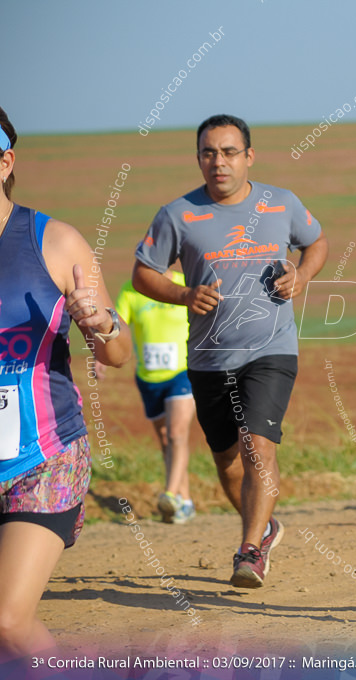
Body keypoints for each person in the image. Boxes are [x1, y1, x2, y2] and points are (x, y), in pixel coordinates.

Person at [132, 114, 328, 587]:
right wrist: (182, 294)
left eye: (229, 152)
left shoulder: (280, 203)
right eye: (208, 153)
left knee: (257, 444)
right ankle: (264, 528)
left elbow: (316, 242)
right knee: (226, 460)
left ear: (249, 156)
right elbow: (143, 273)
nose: (218, 162)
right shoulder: (177, 214)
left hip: (271, 350)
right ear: (199, 158)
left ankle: (249, 551)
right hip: (207, 358)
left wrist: (301, 276)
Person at [0, 107, 131, 663]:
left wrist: (99, 323)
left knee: (6, 621)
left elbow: (117, 352)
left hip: (42, 457)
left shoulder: (53, 241)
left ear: (5, 161)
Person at [115, 270, 197, 523]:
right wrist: (100, 358)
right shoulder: (132, 288)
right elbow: (116, 327)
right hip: (149, 377)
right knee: (165, 439)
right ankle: (185, 501)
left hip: (183, 371)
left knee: (176, 433)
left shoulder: (187, 284)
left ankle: (169, 495)